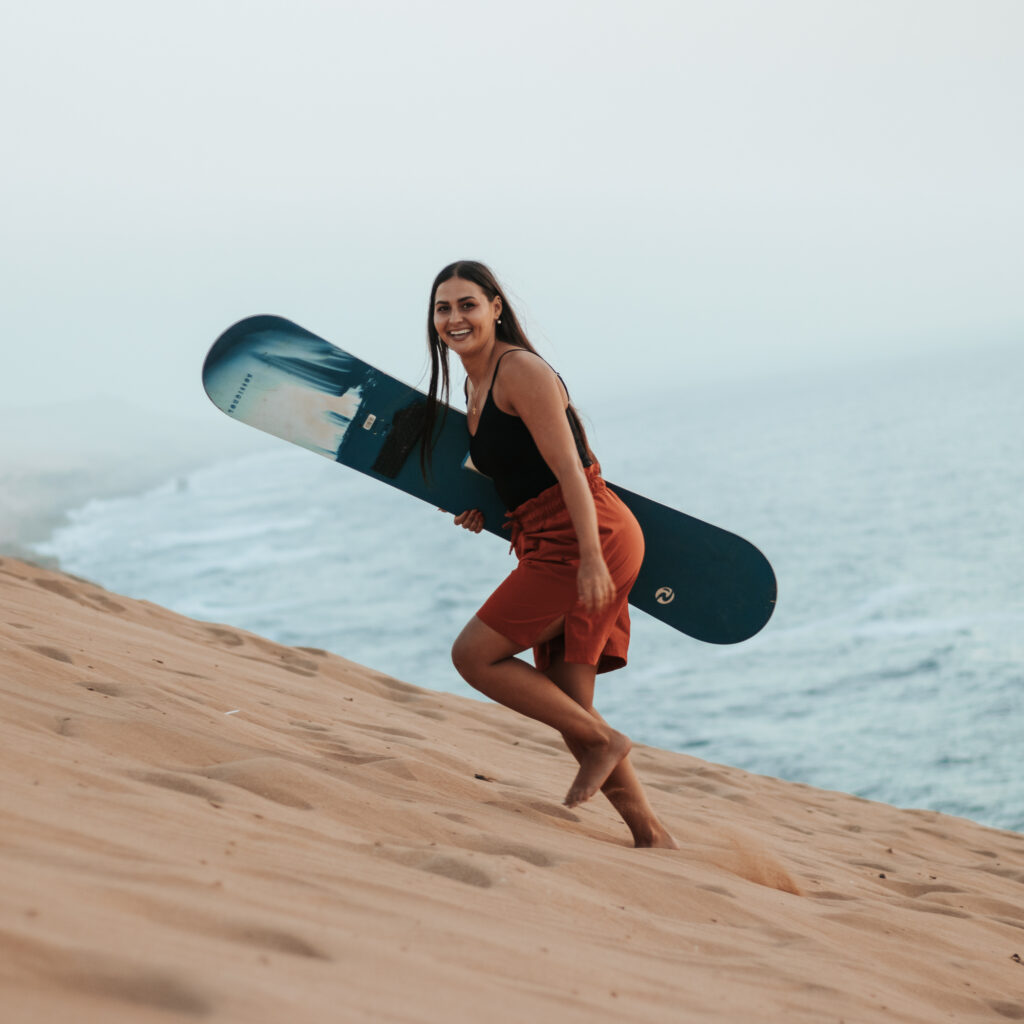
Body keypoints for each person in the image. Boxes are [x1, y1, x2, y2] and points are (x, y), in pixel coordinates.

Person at [420, 261, 678, 849]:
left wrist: (590, 559)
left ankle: (607, 743)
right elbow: (520, 471)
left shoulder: (521, 371)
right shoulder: (474, 383)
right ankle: (652, 836)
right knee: (567, 702)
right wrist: (487, 511)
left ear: (496, 309)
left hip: (588, 534)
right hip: (544, 535)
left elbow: (570, 471)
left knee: (474, 655)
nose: (455, 318)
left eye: (467, 305)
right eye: (443, 308)